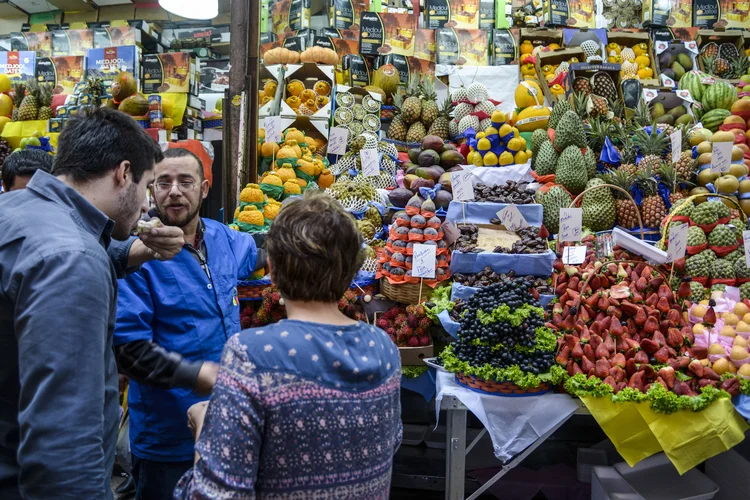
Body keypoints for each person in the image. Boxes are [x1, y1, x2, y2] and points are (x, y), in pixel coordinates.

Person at [0, 108, 184, 500]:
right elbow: (64, 442)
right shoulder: (73, 259)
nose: (148, 205)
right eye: (148, 185)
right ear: (123, 173)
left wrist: (133, 252)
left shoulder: (16, 211)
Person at [174, 191, 403, 499]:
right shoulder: (383, 347)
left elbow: (214, 494)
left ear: (272, 267)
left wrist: (205, 426)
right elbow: (391, 440)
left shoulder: (251, 354)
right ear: (352, 270)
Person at [114, 148, 261, 500]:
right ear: (152, 190)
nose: (174, 191)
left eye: (186, 182)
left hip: (226, 424)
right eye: (163, 182)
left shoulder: (224, 239)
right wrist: (196, 375)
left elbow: (263, 248)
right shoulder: (137, 257)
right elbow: (129, 352)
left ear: (205, 189)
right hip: (168, 441)